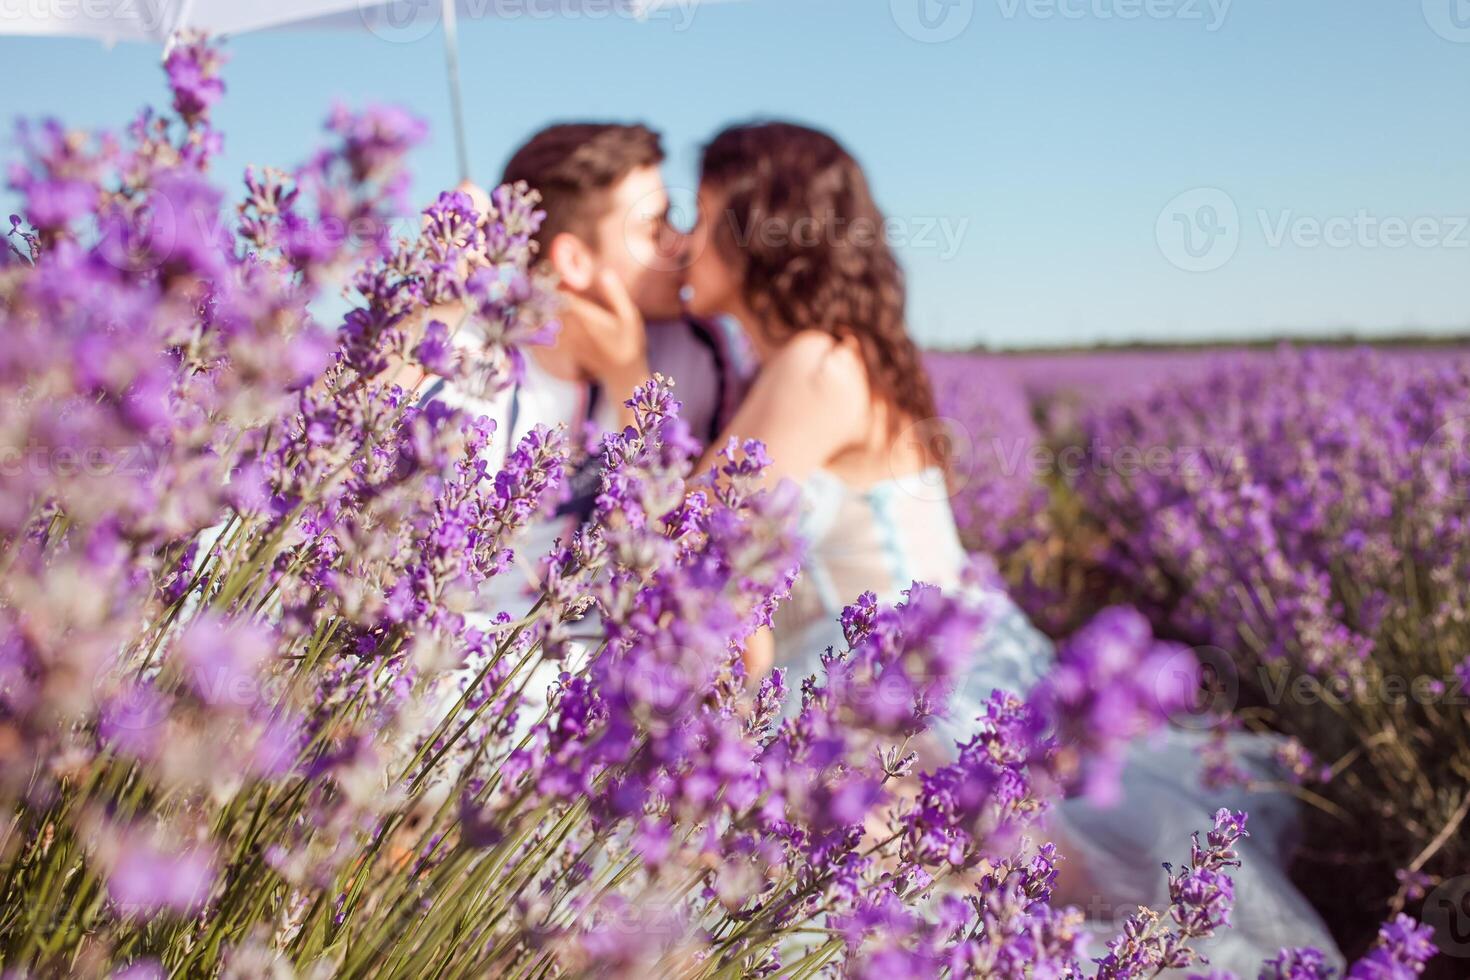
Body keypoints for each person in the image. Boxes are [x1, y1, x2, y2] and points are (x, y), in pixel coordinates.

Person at [680, 120, 1341, 972]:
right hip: (956, 662)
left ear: (758, 227)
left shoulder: (814, 364)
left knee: (978, 918)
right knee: (1020, 906)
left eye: (697, 216)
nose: (681, 243)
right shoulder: (841, 356)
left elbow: (698, 545)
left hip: (905, 692)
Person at [428, 122, 750, 599]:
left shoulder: (699, 354)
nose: (679, 243)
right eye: (652, 226)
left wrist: (629, 377)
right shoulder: (462, 371)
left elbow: (667, 555)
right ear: (575, 261)